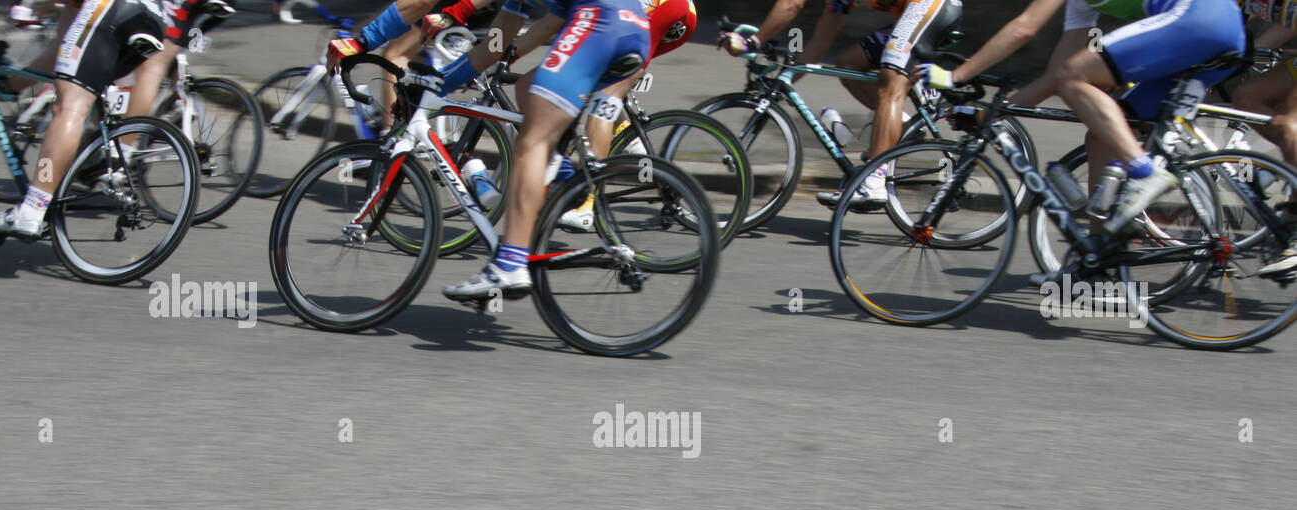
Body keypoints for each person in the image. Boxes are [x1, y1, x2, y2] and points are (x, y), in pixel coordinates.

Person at [433, 0, 696, 299]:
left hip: (611, 19)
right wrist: (509, 53)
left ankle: (514, 259)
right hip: (627, 26)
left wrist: (436, 83)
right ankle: (568, 174)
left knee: (533, 141)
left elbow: (503, 38)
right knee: (528, 89)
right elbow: (523, 33)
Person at [919, 0, 1247, 236]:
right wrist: (989, 115)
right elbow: (1054, 76)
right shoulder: (1082, 6)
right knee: (1101, 134)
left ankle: (1145, 171)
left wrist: (956, 76)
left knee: (1077, 77)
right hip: (1213, 34)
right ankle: (1102, 254)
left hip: (1197, 17)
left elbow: (1025, 28)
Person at [0, 0, 233, 241]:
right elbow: (65, 38)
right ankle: (105, 154)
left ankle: (32, 208)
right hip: (155, 21)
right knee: (89, 88)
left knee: (70, 107)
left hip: (112, 10)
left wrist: (34, 9)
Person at [718, 0, 963, 209]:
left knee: (891, 79)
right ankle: (901, 128)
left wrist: (753, 41)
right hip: (916, 14)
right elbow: (819, 44)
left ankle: (875, 181)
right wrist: (782, 81)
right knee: (848, 64)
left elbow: (792, 4)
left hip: (930, 5)